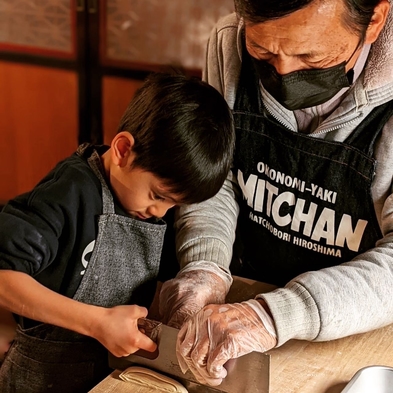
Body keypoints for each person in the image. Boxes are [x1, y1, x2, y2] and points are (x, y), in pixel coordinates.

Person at [158, 0, 393, 387]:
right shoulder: (228, 44)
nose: (283, 71)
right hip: (242, 296)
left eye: (311, 56)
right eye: (263, 52)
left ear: (375, 21)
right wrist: (204, 267)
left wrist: (272, 316)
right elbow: (217, 179)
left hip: (355, 329)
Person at [0, 71, 235, 392]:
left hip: (110, 376)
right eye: (157, 196)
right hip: (41, 378)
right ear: (124, 149)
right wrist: (96, 323)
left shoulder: (146, 203)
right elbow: (3, 278)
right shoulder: (70, 192)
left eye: (173, 205)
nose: (159, 213)